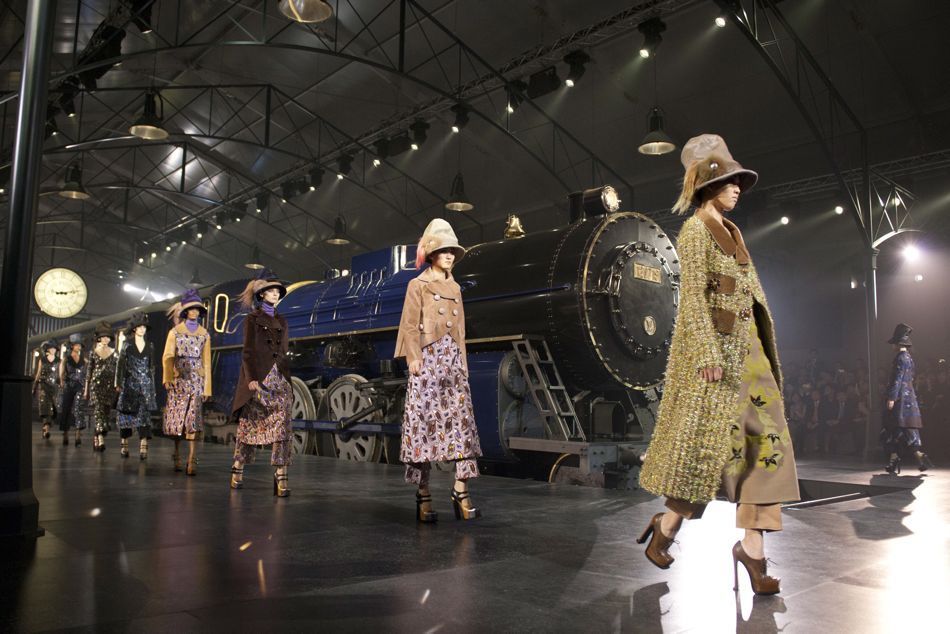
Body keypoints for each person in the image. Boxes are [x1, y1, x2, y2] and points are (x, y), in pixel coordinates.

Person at [637, 134, 800, 595]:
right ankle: (666, 527)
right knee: (704, 453)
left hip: (750, 356)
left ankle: (753, 549)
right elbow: (690, 299)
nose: (738, 190)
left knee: (767, 445)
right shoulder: (694, 231)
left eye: (737, 183)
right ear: (708, 185)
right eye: (729, 182)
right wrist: (707, 353)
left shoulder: (733, 231)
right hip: (715, 359)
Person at [394, 218, 483, 522]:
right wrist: (413, 357)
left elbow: (460, 331)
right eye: (443, 250)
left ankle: (461, 490)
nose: (449, 255)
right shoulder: (417, 285)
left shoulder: (455, 287)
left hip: (453, 362)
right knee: (423, 428)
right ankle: (423, 493)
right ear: (431, 253)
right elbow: (408, 324)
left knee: (462, 428)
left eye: (452, 251)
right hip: (427, 361)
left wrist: (464, 364)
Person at [229, 270, 294, 496]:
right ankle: (238, 468)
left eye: (278, 291)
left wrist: (287, 376)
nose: (276, 294)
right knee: (248, 426)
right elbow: (247, 352)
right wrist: (251, 379)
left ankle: (281, 474)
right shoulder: (251, 320)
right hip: (258, 378)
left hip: (280, 378)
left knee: (284, 425)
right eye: (271, 291)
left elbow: (283, 350)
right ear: (262, 294)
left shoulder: (283, 321)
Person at [162, 289, 211, 475]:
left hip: (197, 381)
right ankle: (176, 453)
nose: (195, 312)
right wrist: (167, 377)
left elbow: (206, 361)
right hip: (178, 380)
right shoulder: (175, 332)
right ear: (185, 312)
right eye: (192, 309)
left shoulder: (204, 334)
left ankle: (191, 458)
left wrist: (207, 388)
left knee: (193, 420)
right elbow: (167, 356)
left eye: (198, 309)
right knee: (177, 421)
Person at [881, 323, 933, 473]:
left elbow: (897, 379)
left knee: (895, 428)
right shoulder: (909, 358)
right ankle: (918, 457)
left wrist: (891, 397)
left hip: (901, 400)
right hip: (909, 398)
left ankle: (900, 459)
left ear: (898, 344)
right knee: (905, 429)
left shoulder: (900, 358)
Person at [115, 312, 157, 459]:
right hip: (129, 384)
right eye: (139, 327)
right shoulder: (126, 345)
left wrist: (152, 388)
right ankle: (124, 445)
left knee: (144, 417)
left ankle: (143, 448)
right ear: (134, 329)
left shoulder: (150, 346)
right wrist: (118, 383)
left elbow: (152, 367)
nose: (142, 329)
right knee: (125, 415)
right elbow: (120, 365)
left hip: (145, 386)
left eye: (144, 327)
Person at [84, 321, 118, 453]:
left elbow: (117, 370)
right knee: (98, 411)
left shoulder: (115, 353)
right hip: (96, 385)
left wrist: (117, 384)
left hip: (109, 387)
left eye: (107, 337)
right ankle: (100, 437)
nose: (105, 339)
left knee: (106, 413)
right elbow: (89, 371)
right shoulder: (94, 352)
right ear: (99, 338)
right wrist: (86, 389)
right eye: (103, 337)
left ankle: (97, 437)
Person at [57, 334, 88, 446]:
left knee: (78, 409)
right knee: (67, 408)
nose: (78, 346)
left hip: (79, 386)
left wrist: (86, 388)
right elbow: (61, 374)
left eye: (80, 344)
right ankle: (65, 434)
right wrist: (62, 383)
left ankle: (78, 435)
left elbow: (87, 374)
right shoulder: (66, 359)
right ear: (72, 346)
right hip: (69, 385)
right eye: (76, 344)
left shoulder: (84, 360)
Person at [33, 340, 59, 439]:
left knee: (53, 408)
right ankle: (46, 428)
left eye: (54, 348)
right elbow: (38, 373)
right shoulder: (42, 360)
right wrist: (34, 385)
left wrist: (61, 382)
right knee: (45, 407)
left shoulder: (58, 360)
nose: (53, 350)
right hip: (43, 386)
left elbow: (60, 373)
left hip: (54, 387)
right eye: (51, 348)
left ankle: (46, 426)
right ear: (47, 349)